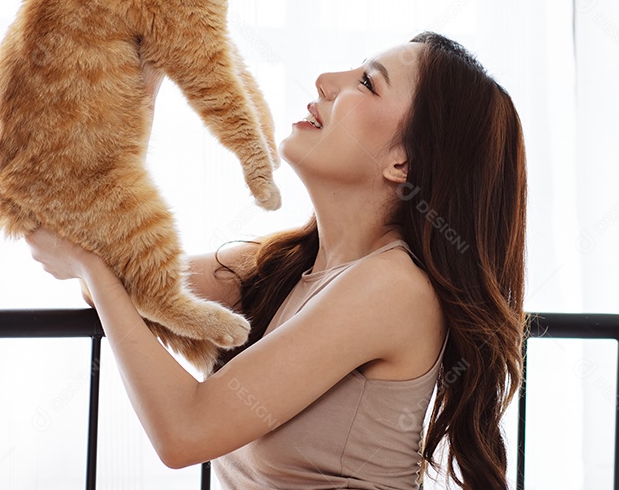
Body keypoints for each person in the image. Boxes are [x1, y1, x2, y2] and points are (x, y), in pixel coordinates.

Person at [26, 31, 528, 489]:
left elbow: (184, 430)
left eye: (368, 83)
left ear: (404, 162)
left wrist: (87, 264)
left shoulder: (393, 287)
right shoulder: (286, 266)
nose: (326, 81)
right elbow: (125, 280)